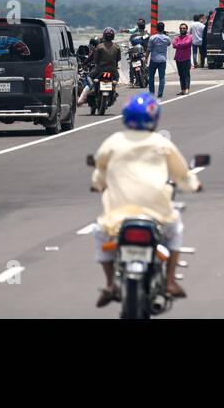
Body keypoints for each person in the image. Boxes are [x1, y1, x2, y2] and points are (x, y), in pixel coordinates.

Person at [90, 94, 201, 307]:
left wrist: (98, 185)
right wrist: (194, 185)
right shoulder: (161, 142)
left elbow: (99, 173)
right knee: (175, 229)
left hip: (118, 214)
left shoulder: (113, 142)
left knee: (100, 234)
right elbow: (182, 175)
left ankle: (111, 284)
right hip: (156, 211)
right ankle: (170, 282)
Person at [80, 27, 123, 107]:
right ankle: (113, 88)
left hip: (99, 70)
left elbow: (95, 60)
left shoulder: (99, 47)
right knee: (116, 78)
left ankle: (92, 87)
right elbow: (119, 58)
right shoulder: (117, 47)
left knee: (89, 76)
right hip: (112, 70)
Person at [147, 22, 172, 99]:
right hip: (162, 60)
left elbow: (149, 49)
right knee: (162, 77)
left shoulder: (152, 38)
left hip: (154, 59)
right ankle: (160, 93)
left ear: (156, 28)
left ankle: (151, 93)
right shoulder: (167, 38)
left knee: (151, 77)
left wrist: (145, 59)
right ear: (163, 28)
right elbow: (169, 44)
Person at [172, 23, 195, 96]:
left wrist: (179, 44)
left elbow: (187, 43)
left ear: (186, 29)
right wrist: (181, 44)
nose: (182, 29)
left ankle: (187, 89)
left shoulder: (189, 36)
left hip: (186, 58)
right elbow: (174, 45)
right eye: (181, 28)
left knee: (186, 74)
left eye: (184, 28)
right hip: (178, 58)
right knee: (181, 75)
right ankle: (183, 89)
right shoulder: (176, 37)